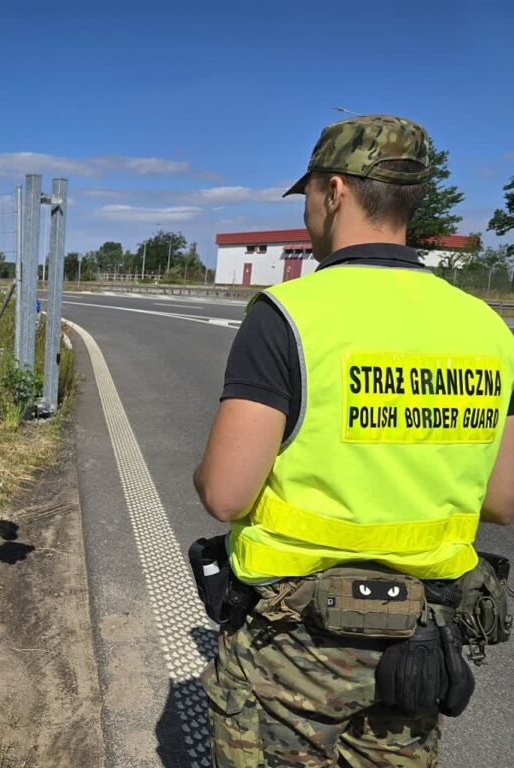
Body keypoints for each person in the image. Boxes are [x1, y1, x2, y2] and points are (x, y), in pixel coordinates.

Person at [193, 115, 514, 766]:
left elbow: (226, 495)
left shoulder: (289, 315)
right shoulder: (488, 330)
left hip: (292, 642)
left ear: (334, 191)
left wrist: (206, 476)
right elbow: (504, 500)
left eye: (308, 193)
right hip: (419, 646)